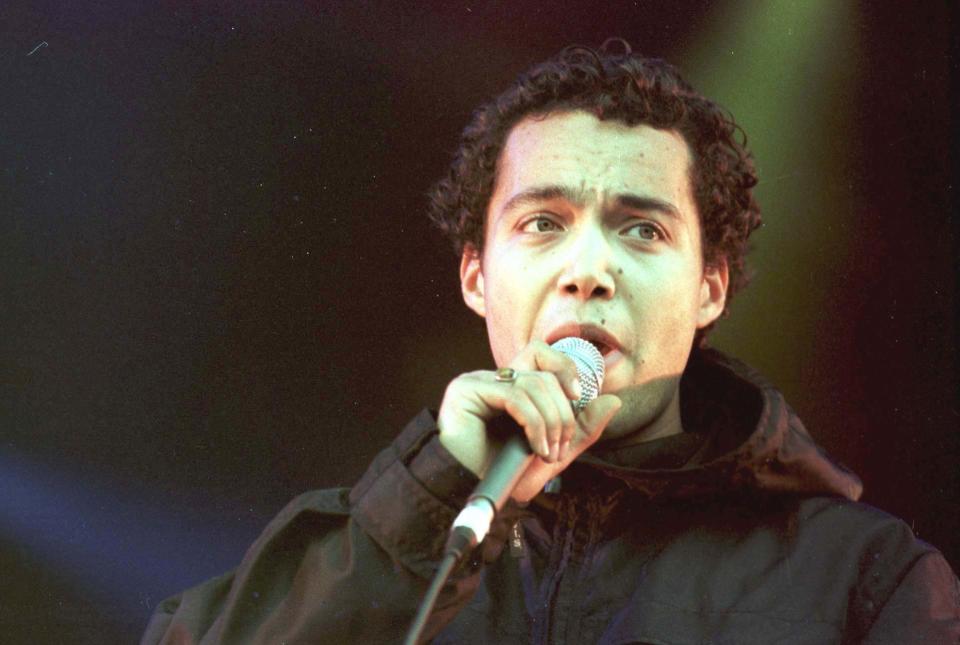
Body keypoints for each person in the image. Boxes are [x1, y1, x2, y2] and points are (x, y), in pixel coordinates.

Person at [142, 41, 960, 644]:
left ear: (710, 286)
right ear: (475, 276)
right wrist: (430, 502)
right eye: (543, 224)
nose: (589, 270)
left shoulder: (868, 580)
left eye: (641, 229)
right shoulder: (362, 549)